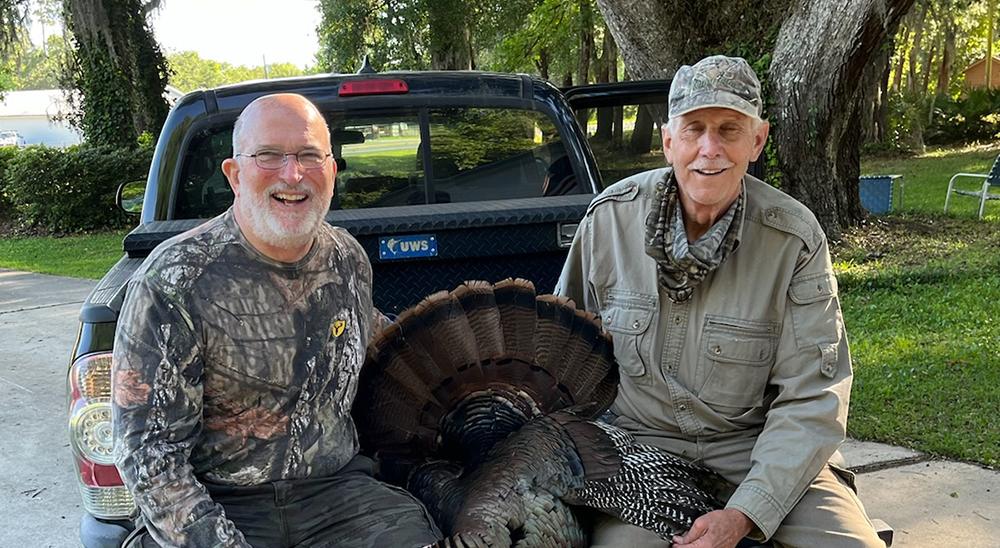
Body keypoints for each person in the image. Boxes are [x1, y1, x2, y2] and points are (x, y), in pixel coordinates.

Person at [556, 56, 885, 548]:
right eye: (694, 129)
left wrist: (746, 512)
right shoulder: (608, 221)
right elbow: (560, 359)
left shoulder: (793, 238)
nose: (709, 149)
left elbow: (813, 396)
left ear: (758, 140)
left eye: (730, 129)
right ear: (668, 141)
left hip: (757, 447)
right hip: (639, 449)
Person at [111, 93, 441, 548]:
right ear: (234, 173)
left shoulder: (347, 259)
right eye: (269, 156)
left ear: (331, 171)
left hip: (337, 494)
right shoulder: (174, 280)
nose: (293, 174)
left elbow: (379, 345)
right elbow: (149, 453)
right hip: (218, 500)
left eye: (310, 155)